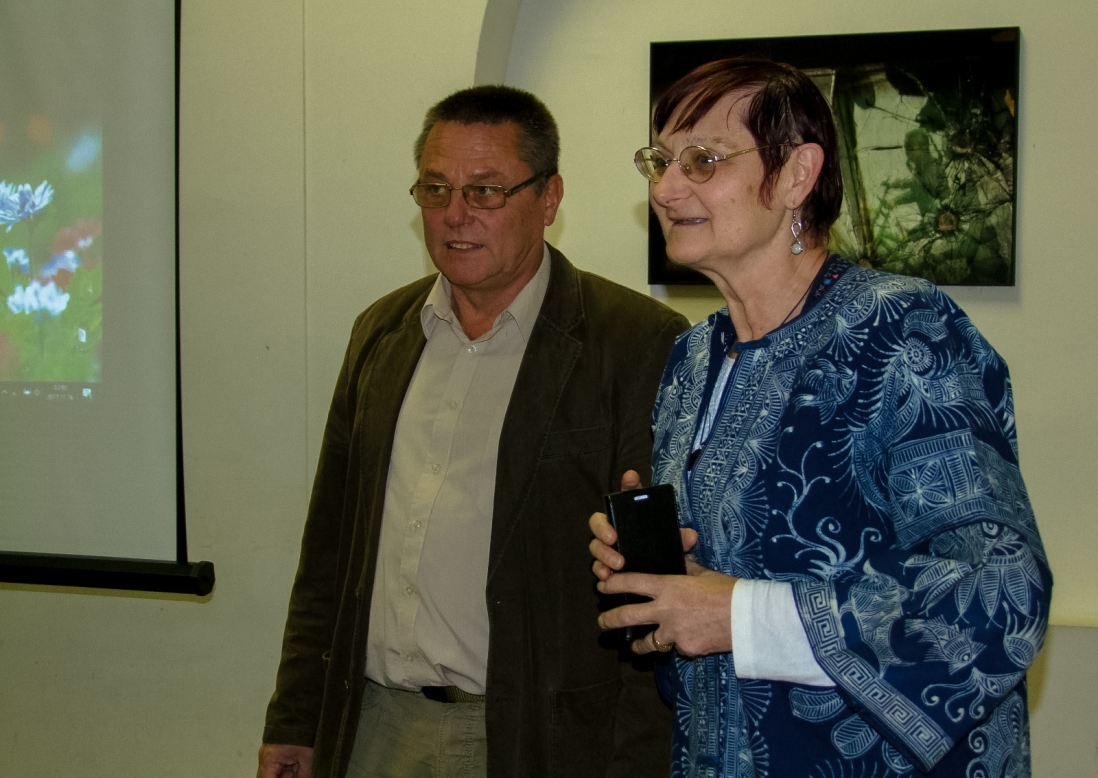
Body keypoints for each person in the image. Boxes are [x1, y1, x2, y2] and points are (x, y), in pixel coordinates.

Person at [589, 57, 1051, 777]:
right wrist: (667, 589)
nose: (666, 188)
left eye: (703, 160)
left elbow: (1001, 593)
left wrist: (739, 615)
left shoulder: (903, 331)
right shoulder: (692, 359)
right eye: (660, 160)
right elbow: (725, 599)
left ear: (797, 175)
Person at [258, 85, 689, 778]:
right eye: (436, 189)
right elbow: (329, 551)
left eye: (485, 191)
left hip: (533, 739)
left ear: (548, 198)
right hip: (371, 725)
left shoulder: (637, 343)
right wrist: (295, 721)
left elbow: (654, 594)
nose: (455, 215)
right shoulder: (381, 333)